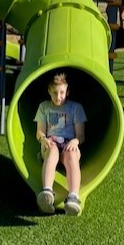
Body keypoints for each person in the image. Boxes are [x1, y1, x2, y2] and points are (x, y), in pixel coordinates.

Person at [34, 73, 87, 216]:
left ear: (67, 91)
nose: (58, 97)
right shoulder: (44, 107)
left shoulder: (75, 108)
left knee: (72, 154)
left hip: (68, 143)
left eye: (62, 93)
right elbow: (40, 131)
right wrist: (43, 139)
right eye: (55, 93)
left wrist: (75, 141)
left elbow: (80, 136)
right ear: (49, 91)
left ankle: (73, 197)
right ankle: (47, 192)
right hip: (51, 142)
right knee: (52, 151)